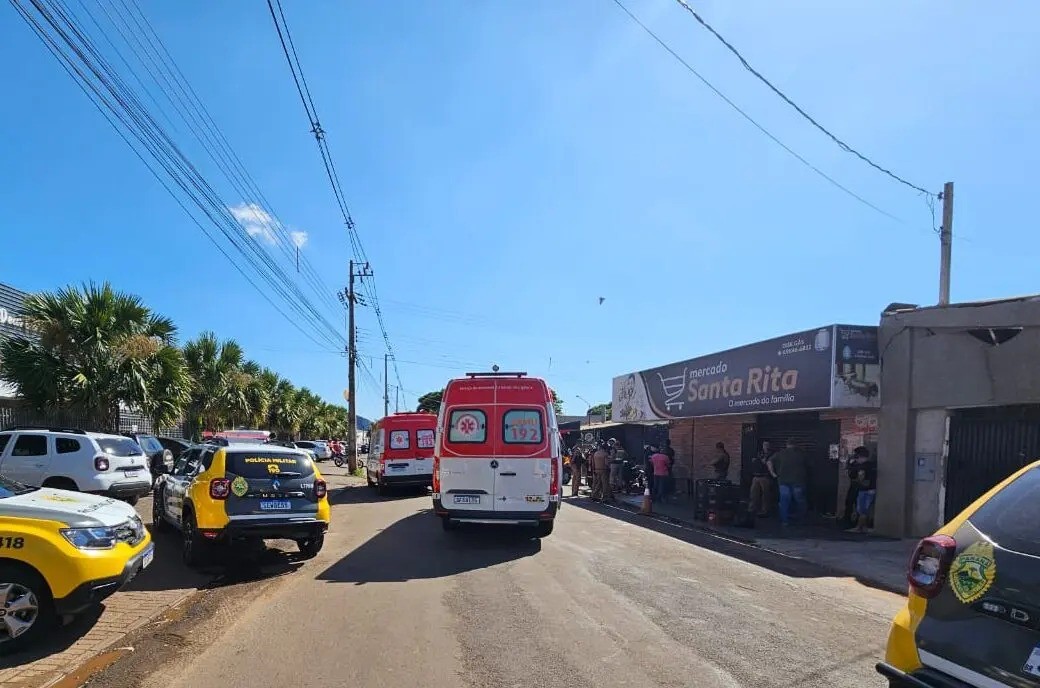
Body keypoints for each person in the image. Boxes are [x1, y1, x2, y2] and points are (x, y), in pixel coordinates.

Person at [767, 438, 807, 526]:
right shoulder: (801, 454)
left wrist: (773, 473)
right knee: (799, 500)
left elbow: (769, 461)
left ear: (787, 444)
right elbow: (809, 465)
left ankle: (785, 521)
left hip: (783, 480)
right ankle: (801, 520)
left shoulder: (780, 453)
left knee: (784, 501)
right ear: (795, 444)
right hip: (798, 481)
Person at [850, 448, 877, 533]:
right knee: (863, 509)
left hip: (865, 489)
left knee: (862, 509)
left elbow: (861, 478)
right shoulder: (871, 465)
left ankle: (860, 527)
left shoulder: (864, 467)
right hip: (867, 489)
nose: (857, 459)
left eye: (857, 457)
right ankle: (862, 527)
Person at [843, 446, 868, 528]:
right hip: (854, 485)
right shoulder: (854, 463)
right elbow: (848, 469)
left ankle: (858, 523)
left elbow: (861, 476)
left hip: (860, 487)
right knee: (849, 503)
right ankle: (847, 520)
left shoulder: (865, 465)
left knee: (859, 506)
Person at [748, 441, 773, 517]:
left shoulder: (771, 454)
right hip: (756, 476)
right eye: (764, 445)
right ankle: (752, 509)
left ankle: (764, 511)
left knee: (765, 495)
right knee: (753, 494)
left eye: (767, 445)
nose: (765, 446)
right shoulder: (759, 453)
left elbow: (766, 463)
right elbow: (754, 461)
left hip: (765, 476)